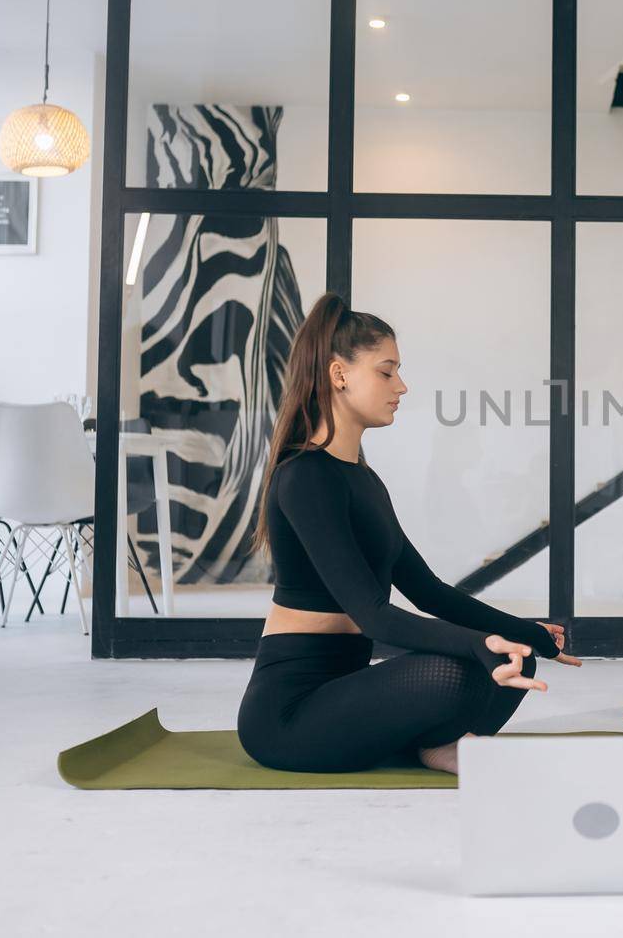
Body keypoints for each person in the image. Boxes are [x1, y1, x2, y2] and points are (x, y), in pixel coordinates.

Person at [237, 293, 578, 774]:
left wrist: (524, 633)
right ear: (339, 375)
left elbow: (428, 590)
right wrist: (478, 644)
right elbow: (374, 616)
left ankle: (437, 746)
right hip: (288, 714)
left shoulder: (364, 478)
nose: (401, 385)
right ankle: (436, 740)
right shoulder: (304, 477)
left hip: (344, 693)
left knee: (516, 658)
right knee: (457, 669)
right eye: (386, 371)